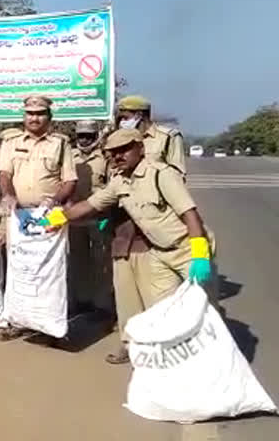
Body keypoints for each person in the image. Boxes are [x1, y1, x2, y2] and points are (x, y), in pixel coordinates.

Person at [41, 129, 216, 363]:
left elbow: (190, 214)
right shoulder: (119, 182)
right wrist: (58, 218)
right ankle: (168, 362)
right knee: (164, 311)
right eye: (112, 153)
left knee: (205, 310)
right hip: (159, 252)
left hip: (187, 248)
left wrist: (200, 254)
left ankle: (214, 359)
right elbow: (89, 205)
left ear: (140, 148)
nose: (118, 157)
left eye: (124, 150)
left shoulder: (161, 174)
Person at [108, 95, 187, 363]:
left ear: (142, 115)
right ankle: (129, 342)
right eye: (121, 115)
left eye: (128, 114)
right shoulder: (117, 137)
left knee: (155, 287)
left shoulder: (166, 137)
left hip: (153, 214)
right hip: (123, 214)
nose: (123, 119)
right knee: (124, 283)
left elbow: (176, 177)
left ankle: (159, 344)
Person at [0, 95, 77, 342]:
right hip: (19, 215)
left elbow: (69, 180)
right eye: (30, 114)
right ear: (24, 116)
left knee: (50, 270)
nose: (34, 118)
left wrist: (54, 200)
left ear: (49, 117)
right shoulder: (11, 142)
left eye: (40, 113)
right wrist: (9, 195)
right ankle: (17, 321)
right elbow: (4, 174)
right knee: (20, 267)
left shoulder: (60, 144)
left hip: (49, 215)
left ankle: (51, 325)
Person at [69, 120, 112, 317]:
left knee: (101, 261)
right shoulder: (70, 156)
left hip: (98, 217)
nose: (84, 140)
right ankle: (80, 300)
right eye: (81, 136)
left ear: (96, 136)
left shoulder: (105, 158)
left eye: (88, 136)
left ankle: (101, 304)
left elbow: (113, 188)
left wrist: (108, 215)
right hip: (75, 217)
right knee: (77, 260)